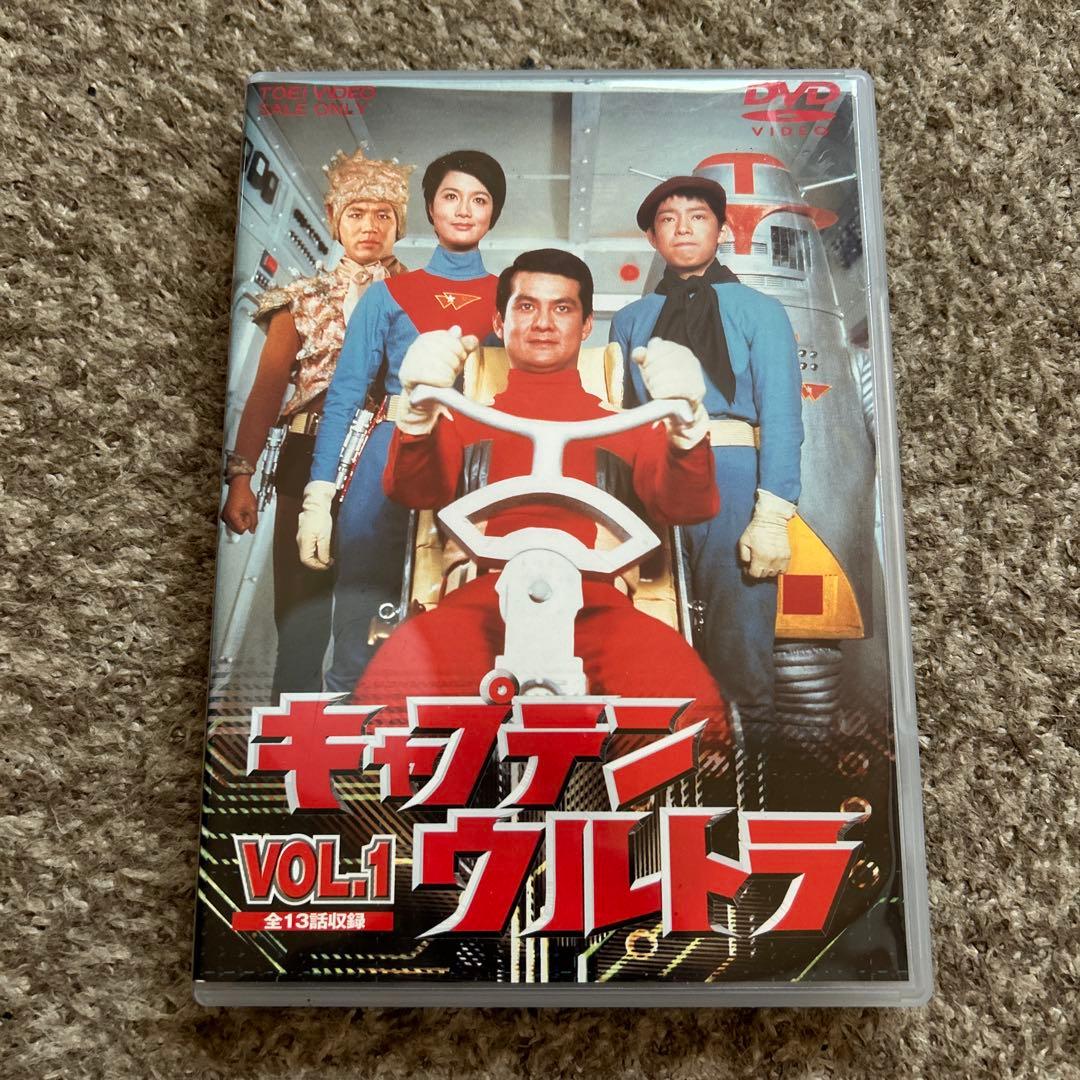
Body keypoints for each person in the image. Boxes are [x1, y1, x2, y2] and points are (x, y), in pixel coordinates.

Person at [352, 249, 729, 752]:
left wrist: (686, 428)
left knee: (694, 722)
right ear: (498, 321)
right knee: (386, 713)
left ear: (587, 324)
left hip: (599, 608)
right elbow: (412, 491)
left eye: (563, 308)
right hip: (478, 604)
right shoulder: (460, 419)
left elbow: (686, 507)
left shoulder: (631, 427)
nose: (544, 323)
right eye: (526, 306)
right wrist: (419, 415)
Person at [299, 150, 506, 692]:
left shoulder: (512, 297)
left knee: (467, 610)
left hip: (476, 459)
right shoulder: (386, 295)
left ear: (493, 213)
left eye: (479, 200)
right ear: (431, 208)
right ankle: (347, 713)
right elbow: (344, 398)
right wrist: (318, 498)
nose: (464, 210)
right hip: (389, 449)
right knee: (362, 604)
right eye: (451, 197)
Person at [610, 175, 803, 726]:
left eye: (697, 217)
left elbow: (783, 416)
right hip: (653, 479)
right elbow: (620, 419)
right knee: (654, 637)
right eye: (668, 220)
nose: (683, 229)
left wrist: (772, 516)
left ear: (720, 230)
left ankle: (750, 770)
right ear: (652, 238)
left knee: (739, 641)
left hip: (733, 478)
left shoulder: (761, 310)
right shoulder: (630, 320)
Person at [221, 148, 412, 702]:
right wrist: (240, 478)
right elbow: (266, 393)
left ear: (399, 225)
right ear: (334, 220)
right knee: (302, 614)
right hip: (306, 458)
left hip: (385, 458)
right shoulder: (300, 300)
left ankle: (364, 728)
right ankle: (293, 737)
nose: (369, 226)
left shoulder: (419, 298)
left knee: (374, 611)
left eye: (382, 215)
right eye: (356, 214)